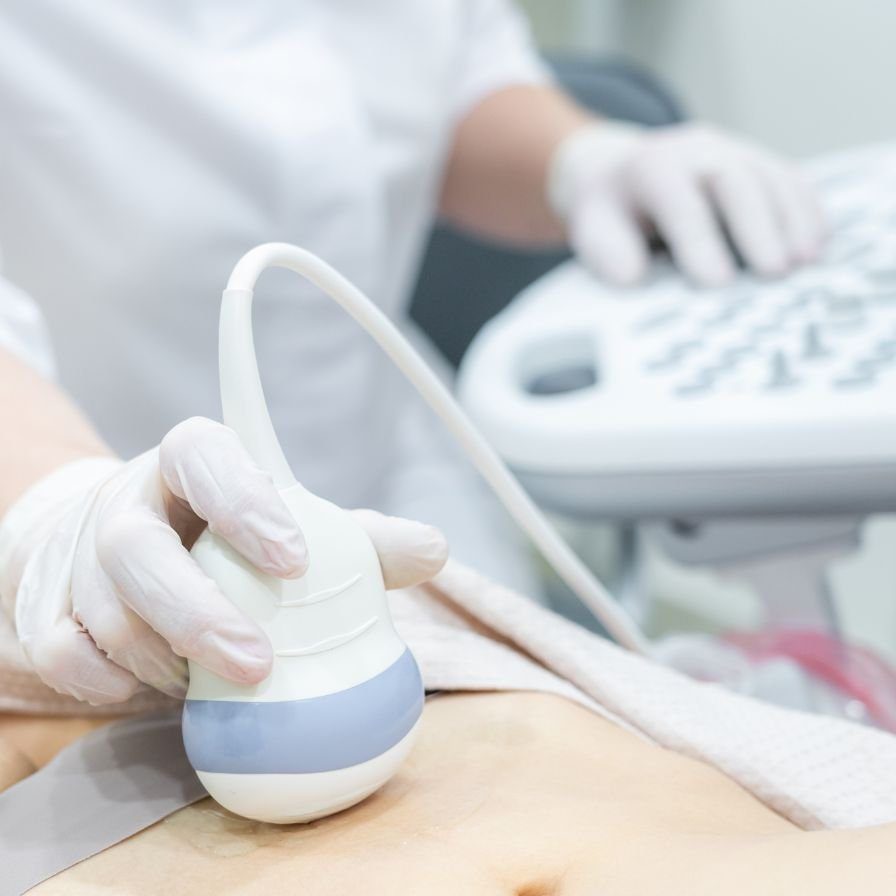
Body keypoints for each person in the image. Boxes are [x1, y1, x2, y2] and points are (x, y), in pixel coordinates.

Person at [0, 1, 824, 703]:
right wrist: (55, 514)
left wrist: (584, 161)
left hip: (397, 487)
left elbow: (447, 76)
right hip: (78, 526)